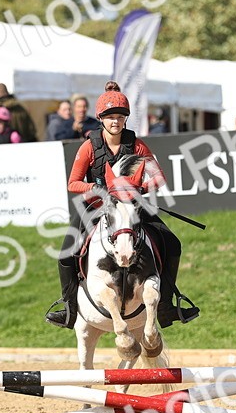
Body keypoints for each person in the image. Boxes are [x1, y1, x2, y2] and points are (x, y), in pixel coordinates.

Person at [45, 81, 198, 330]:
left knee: (172, 244)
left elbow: (159, 177)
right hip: (95, 207)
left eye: (119, 117)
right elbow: (73, 183)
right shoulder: (89, 147)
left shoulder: (136, 146)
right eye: (110, 117)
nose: (115, 121)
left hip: (130, 206)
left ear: (125, 119)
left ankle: (167, 306)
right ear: (101, 119)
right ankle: (70, 309)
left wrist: (139, 190)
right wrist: (95, 189)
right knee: (64, 255)